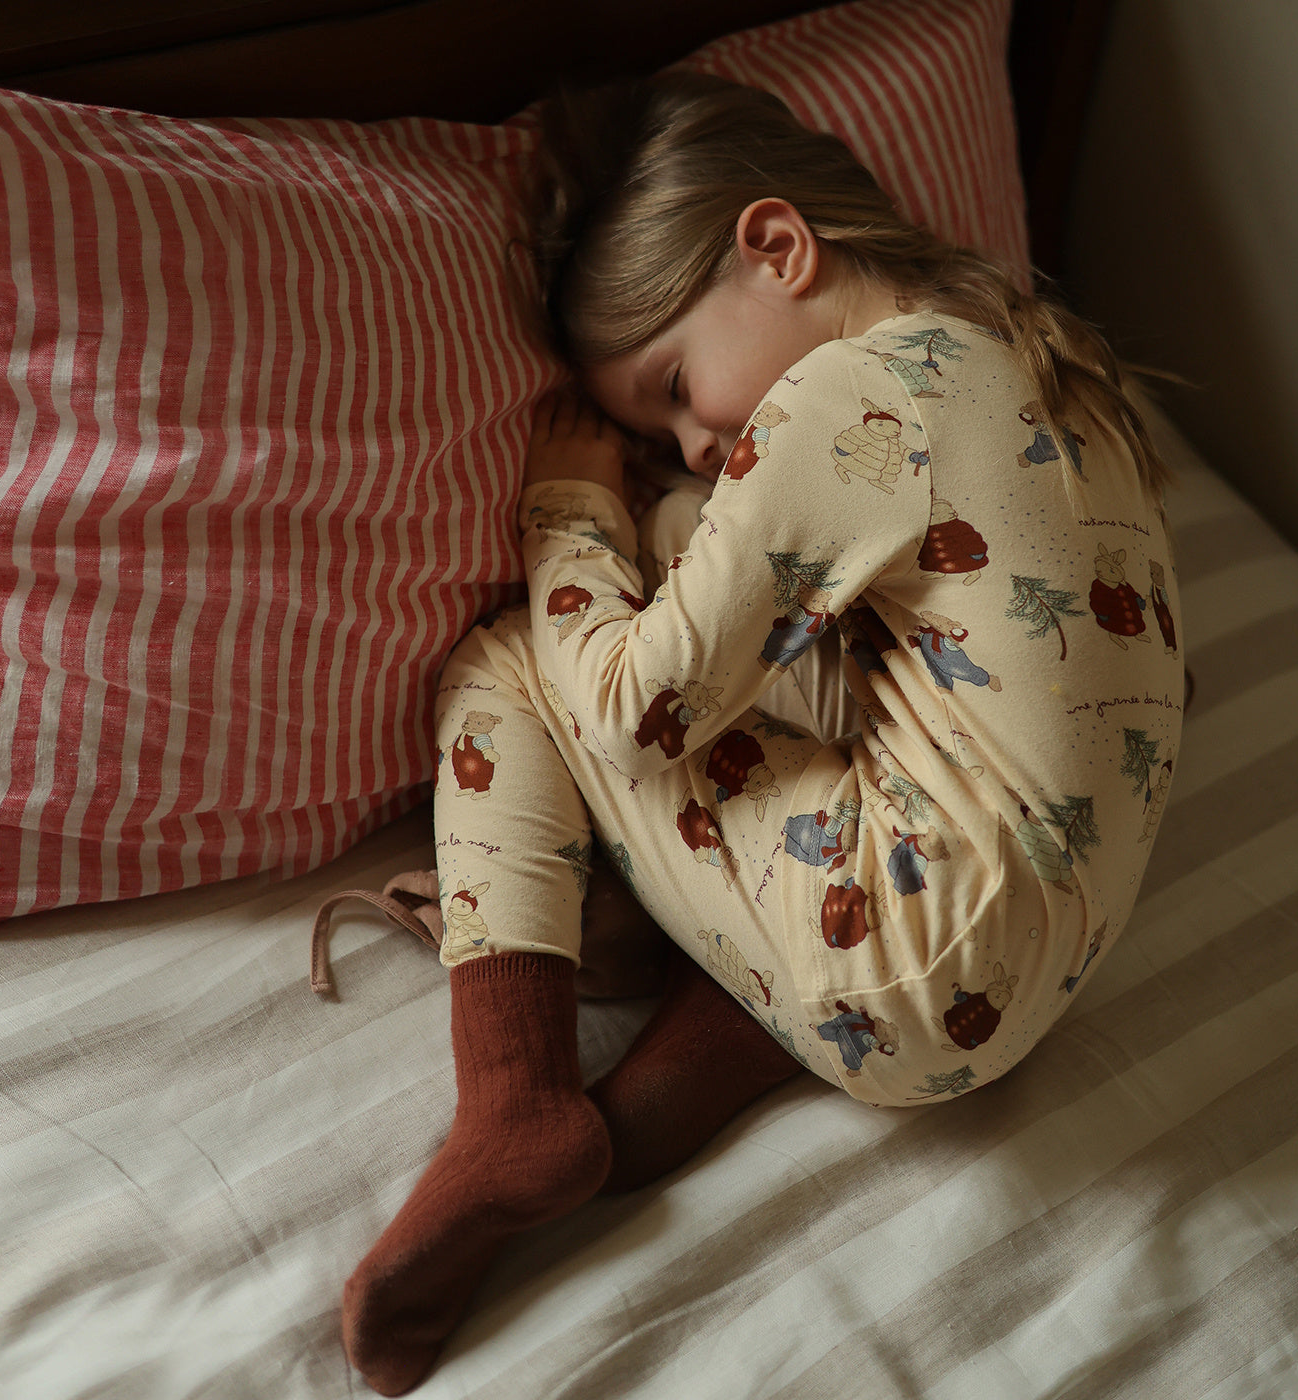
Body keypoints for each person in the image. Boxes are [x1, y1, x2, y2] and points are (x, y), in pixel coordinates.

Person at [335, 73, 1185, 1395]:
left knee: (520, 658)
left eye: (676, 387)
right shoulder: (1027, 354)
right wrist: (670, 518)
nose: (698, 438)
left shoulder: (846, 394)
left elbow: (630, 715)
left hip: (901, 955)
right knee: (741, 601)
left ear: (777, 248)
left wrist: (569, 507)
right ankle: (714, 1034)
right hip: (1036, 976)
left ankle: (515, 1097)